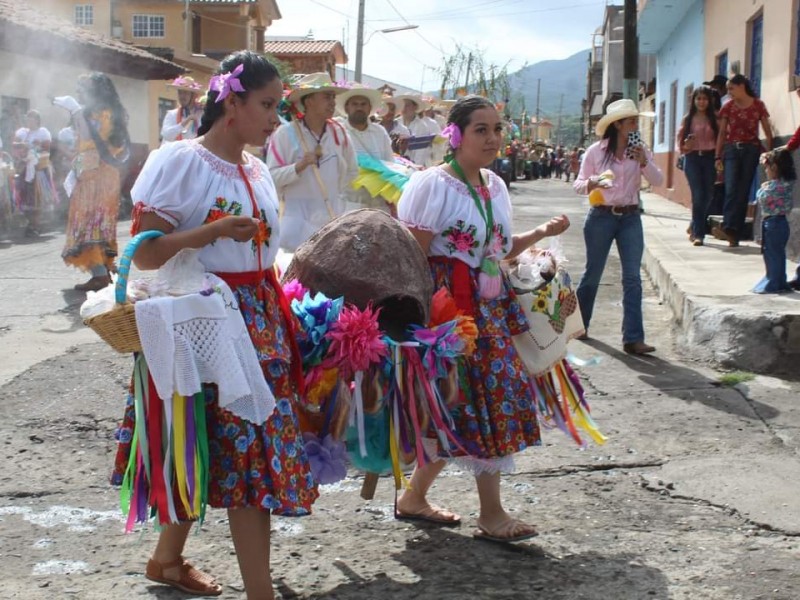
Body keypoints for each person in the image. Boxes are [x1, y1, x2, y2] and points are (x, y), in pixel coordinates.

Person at [115, 50, 318, 600]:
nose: (276, 118)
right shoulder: (180, 162)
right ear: (232, 103)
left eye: (280, 106)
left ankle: (166, 561)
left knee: (229, 450)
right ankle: (261, 594)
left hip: (258, 321)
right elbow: (147, 254)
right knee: (217, 446)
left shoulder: (256, 168)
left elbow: (262, 252)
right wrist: (209, 233)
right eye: (268, 105)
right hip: (202, 325)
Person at [396, 94, 570, 542]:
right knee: (472, 398)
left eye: (497, 129)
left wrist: (541, 235)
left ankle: (415, 497)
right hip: (449, 308)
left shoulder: (495, 184)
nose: (493, 138)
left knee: (469, 400)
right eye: (481, 129)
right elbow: (413, 251)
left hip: (490, 306)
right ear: (454, 136)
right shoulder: (433, 185)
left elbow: (497, 247)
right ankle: (491, 515)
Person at [573, 98, 663, 355]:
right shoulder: (595, 152)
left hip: (630, 217)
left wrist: (644, 161)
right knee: (593, 274)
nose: (636, 125)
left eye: (635, 120)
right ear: (618, 125)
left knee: (633, 278)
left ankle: (633, 339)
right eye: (631, 121)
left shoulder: (640, 150)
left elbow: (658, 180)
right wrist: (594, 182)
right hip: (601, 217)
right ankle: (580, 326)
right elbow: (578, 185)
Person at [54, 73, 130, 291]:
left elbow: (90, 138)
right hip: (103, 175)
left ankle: (100, 274)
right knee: (101, 223)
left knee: (90, 223)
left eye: (82, 89)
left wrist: (75, 111)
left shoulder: (99, 114)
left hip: (95, 177)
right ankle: (106, 269)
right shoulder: (113, 113)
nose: (79, 93)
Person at [266, 72, 358, 252]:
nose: (332, 102)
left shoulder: (339, 132)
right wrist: (299, 167)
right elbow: (271, 177)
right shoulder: (286, 134)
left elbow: (352, 171)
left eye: (333, 97)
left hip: (332, 220)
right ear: (308, 102)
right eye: (326, 97)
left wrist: (335, 192)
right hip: (296, 224)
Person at [713, 74, 773, 247]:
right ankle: (729, 227)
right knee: (731, 188)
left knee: (743, 190)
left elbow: (767, 131)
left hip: (751, 150)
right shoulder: (728, 107)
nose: (729, 92)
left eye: (731, 88)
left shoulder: (758, 105)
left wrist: (769, 153)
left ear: (741, 86)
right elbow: (723, 133)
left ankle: (734, 231)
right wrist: (718, 155)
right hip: (732, 149)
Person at [336, 83, 395, 213]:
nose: (359, 108)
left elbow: (390, 163)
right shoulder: (337, 131)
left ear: (369, 109)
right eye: (355, 104)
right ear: (347, 108)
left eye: (363, 104)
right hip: (349, 203)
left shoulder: (380, 132)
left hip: (378, 204)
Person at [677, 86, 719, 246]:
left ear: (710, 101)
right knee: (698, 194)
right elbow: (680, 144)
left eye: (705, 99)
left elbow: (722, 137)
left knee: (708, 195)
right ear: (693, 101)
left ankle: (694, 224)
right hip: (692, 158)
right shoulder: (688, 119)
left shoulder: (715, 118)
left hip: (709, 158)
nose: (701, 102)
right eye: (698, 98)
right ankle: (698, 234)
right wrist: (687, 144)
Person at [751, 149, 795, 294]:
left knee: (772, 254)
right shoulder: (788, 183)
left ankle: (773, 281)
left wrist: (762, 188)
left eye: (767, 167)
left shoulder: (776, 187)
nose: (766, 170)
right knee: (776, 253)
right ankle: (779, 280)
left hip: (774, 224)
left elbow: (761, 197)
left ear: (774, 167)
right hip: (778, 223)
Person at [12, 110, 57, 237]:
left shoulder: (43, 132)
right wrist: (22, 146)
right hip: (24, 169)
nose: (29, 120)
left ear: (37, 120)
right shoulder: (22, 132)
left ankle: (35, 225)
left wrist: (35, 148)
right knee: (24, 197)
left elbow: (46, 149)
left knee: (37, 198)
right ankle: (30, 223)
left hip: (38, 169)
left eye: (32, 118)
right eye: (28, 118)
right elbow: (15, 145)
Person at [396, 94, 440, 167]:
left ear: (415, 107)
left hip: (412, 166)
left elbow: (420, 153)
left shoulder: (421, 126)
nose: (404, 108)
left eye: (407, 105)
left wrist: (414, 168)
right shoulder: (396, 123)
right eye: (402, 105)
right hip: (397, 164)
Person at [160, 75, 204, 143]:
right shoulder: (172, 114)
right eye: (180, 93)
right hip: (176, 152)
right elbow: (166, 135)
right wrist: (184, 122)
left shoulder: (202, 114)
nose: (182, 96)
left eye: (185, 93)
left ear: (194, 96)